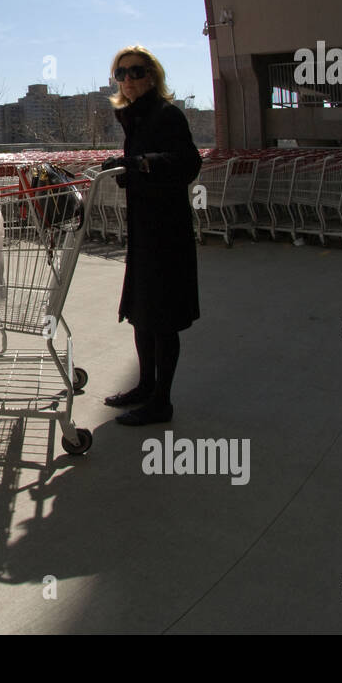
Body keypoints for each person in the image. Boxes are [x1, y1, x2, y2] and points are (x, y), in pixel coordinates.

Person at [100, 46, 201, 426]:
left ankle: (162, 401)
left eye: (135, 71)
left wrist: (141, 163)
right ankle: (144, 385)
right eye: (120, 74)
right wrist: (125, 167)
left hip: (166, 230)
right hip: (144, 227)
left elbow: (188, 162)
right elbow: (143, 166)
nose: (127, 79)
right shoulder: (135, 118)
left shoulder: (166, 114)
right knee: (142, 314)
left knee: (163, 318)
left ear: (152, 75)